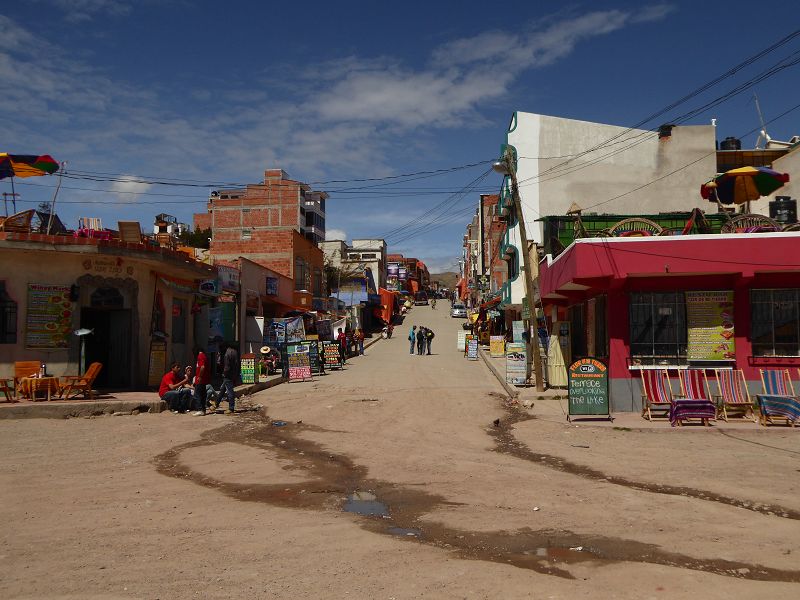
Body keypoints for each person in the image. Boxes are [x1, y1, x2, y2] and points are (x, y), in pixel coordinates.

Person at [214, 342, 238, 414]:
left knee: (230, 391)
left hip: (228, 375)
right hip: (233, 374)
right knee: (222, 389)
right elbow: (237, 364)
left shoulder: (227, 354)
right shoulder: (234, 352)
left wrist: (224, 373)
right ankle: (216, 404)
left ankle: (231, 408)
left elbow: (227, 366)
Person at [191, 346, 211, 416]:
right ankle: (203, 409)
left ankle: (200, 409)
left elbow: (202, 367)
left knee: (197, 394)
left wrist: (199, 376)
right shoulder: (204, 356)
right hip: (203, 379)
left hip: (200, 379)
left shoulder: (200, 356)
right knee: (203, 394)